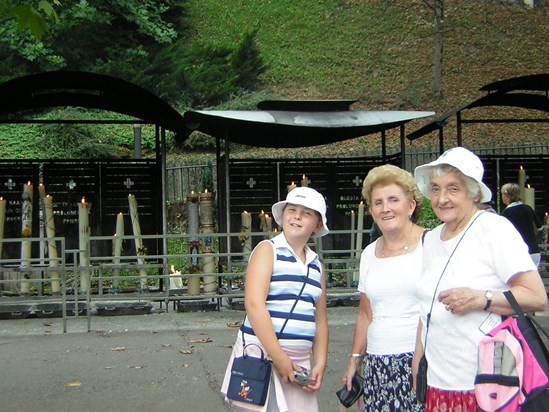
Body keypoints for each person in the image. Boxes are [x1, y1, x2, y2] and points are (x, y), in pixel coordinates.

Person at [413, 147, 547, 412]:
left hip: (488, 384)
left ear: (474, 192)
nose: (442, 199)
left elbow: (536, 297)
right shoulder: (430, 239)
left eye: (453, 189)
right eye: (436, 189)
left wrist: (480, 299)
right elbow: (426, 309)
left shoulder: (493, 229)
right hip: (439, 384)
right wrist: (418, 360)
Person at [220, 186, 329, 411]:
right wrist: (279, 357)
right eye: (292, 209)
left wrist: (320, 362)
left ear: (317, 225)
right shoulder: (267, 250)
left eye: (307, 213)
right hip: (263, 355)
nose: (297, 216)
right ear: (283, 215)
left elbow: (320, 320)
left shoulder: (317, 265)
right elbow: (254, 304)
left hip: (299, 363)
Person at [341, 164, 425, 411]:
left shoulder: (431, 244)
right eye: (377, 202)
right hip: (377, 363)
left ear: (410, 206)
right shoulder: (369, 253)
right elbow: (365, 314)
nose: (385, 208)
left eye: (392, 200)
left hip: (420, 361)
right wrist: (354, 362)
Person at [501, 182, 543, 267]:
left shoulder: (506, 213)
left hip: (518, 253)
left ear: (506, 196)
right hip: (534, 251)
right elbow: (540, 228)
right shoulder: (528, 208)